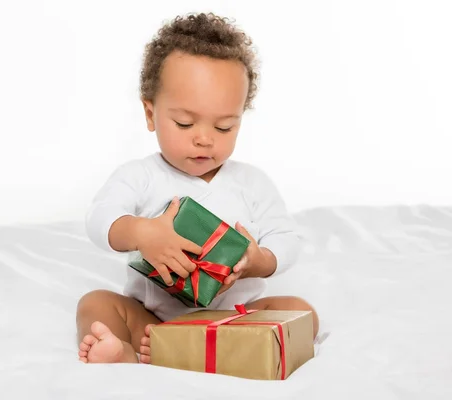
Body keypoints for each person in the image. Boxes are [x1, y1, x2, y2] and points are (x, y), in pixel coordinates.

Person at [76, 12, 319, 364]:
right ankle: (128, 351)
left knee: (301, 312)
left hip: (232, 318)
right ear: (150, 113)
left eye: (224, 127)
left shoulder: (251, 182)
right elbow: (100, 219)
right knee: (96, 303)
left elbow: (287, 238)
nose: (204, 139)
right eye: (184, 123)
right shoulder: (140, 175)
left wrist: (259, 260)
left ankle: (218, 349)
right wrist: (141, 232)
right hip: (153, 322)